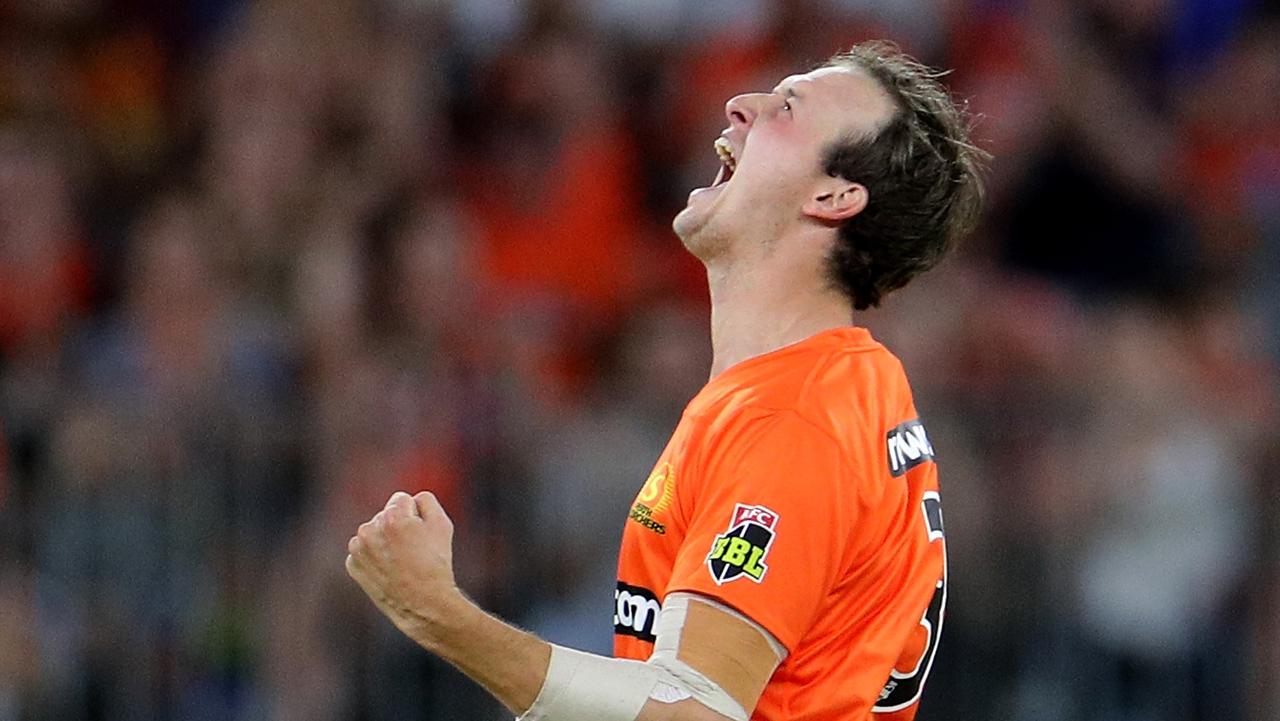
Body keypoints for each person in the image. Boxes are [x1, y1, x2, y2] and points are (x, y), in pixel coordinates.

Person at [344, 40, 985, 721]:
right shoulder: (825, 388)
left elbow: (692, 712)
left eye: (788, 106)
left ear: (834, 196)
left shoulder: (796, 418)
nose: (742, 103)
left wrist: (443, 617)